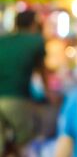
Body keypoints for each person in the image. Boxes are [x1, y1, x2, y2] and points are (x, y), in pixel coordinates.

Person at [0, 10, 48, 155]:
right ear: (33, 24)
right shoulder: (36, 41)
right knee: (24, 143)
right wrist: (47, 91)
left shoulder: (3, 39)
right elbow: (42, 71)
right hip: (17, 97)